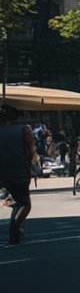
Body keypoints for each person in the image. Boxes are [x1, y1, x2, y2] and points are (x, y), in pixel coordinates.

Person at [0, 105, 38, 244]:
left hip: (3, 173)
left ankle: (16, 231)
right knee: (25, 204)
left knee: (16, 202)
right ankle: (14, 228)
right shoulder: (23, 130)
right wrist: (32, 166)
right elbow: (31, 151)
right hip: (19, 171)